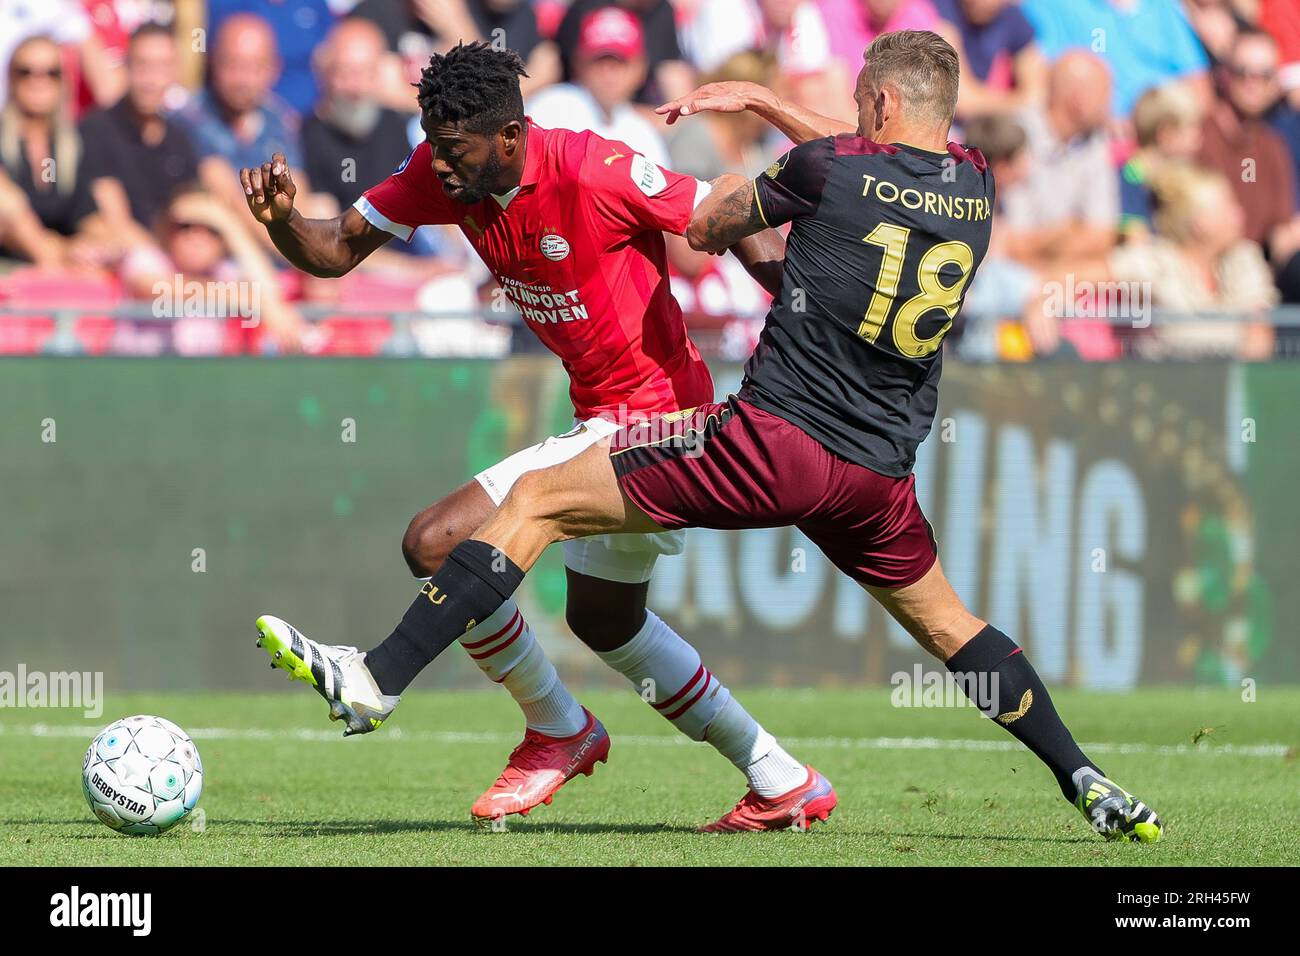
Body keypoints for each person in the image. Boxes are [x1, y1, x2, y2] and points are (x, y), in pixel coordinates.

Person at [285, 30, 1163, 843]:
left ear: (880, 109)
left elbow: (710, 224)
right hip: (877, 472)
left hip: (770, 444)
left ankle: (382, 677)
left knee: (534, 501)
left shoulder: (821, 169)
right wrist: (772, 102)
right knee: (951, 629)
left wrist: (755, 143)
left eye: (861, 103)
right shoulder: (975, 183)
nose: (850, 118)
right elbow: (893, 154)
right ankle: (1083, 777)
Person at [240, 41, 828, 832]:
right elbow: (335, 249)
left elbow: (725, 209)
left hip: (659, 418)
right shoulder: (439, 170)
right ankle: (778, 776)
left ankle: (446, 695)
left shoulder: (594, 168)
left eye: (454, 151)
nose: (440, 168)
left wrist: (806, 313)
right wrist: (281, 223)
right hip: (601, 417)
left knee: (437, 541)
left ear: (510, 139)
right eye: (433, 146)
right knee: (605, 623)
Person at [79, 22, 199, 242]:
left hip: (178, 256)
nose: (151, 80)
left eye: (162, 67)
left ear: (176, 72)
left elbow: (195, 214)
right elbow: (117, 225)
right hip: (131, 258)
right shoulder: (95, 130)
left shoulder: (182, 138)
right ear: (125, 66)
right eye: (142, 65)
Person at [0, 35, 104, 266]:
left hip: (57, 267)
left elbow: (87, 213)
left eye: (51, 72)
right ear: (11, 78)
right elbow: (8, 210)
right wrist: (48, 249)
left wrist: (94, 242)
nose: (38, 80)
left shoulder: (73, 145)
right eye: (26, 71)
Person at [527, 7, 670, 167]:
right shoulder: (551, 107)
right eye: (599, 60)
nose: (608, 72)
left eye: (619, 62)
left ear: (640, 68)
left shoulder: (643, 131)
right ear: (579, 61)